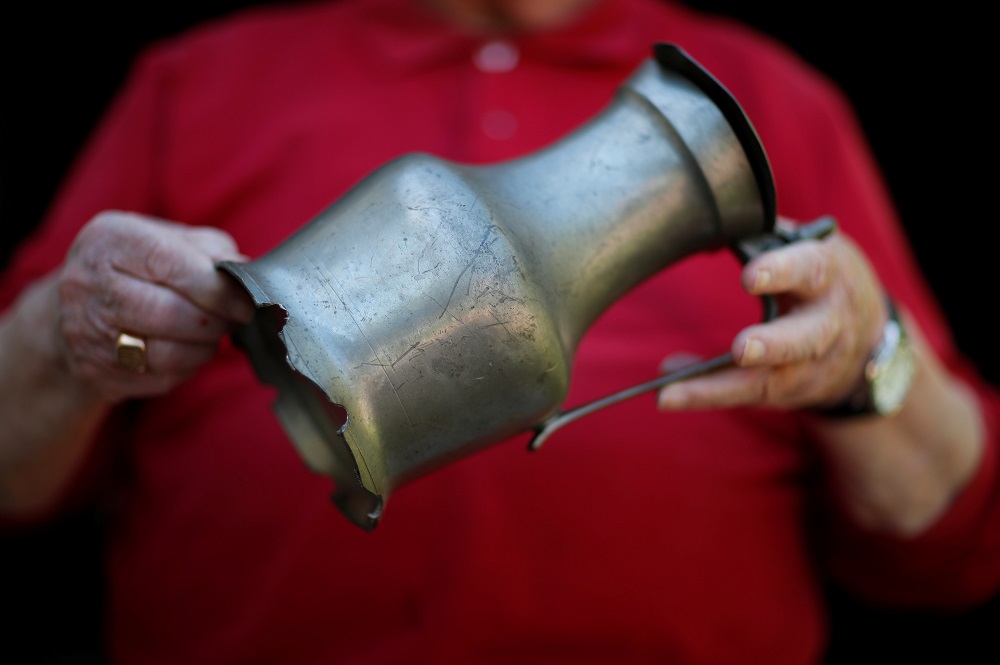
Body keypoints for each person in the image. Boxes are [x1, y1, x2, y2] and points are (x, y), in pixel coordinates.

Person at [2, 0, 999, 662]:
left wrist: (869, 362)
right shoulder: (197, 83)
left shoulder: (777, 102)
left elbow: (960, 544)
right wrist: (63, 335)